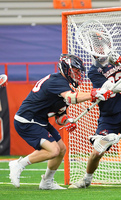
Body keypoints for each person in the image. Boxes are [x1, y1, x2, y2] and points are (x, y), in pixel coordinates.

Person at [10, 54, 111, 189]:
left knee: (62, 149)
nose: (78, 75)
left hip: (39, 120)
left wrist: (67, 120)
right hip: (27, 120)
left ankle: (47, 182)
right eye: (75, 71)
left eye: (79, 72)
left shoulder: (64, 86)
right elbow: (71, 98)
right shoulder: (57, 81)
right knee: (53, 151)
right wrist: (93, 94)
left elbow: (59, 117)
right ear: (66, 69)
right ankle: (18, 164)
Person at [68, 51, 121, 188]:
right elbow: (108, 89)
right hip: (109, 116)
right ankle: (87, 179)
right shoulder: (94, 71)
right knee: (97, 152)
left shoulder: (116, 57)